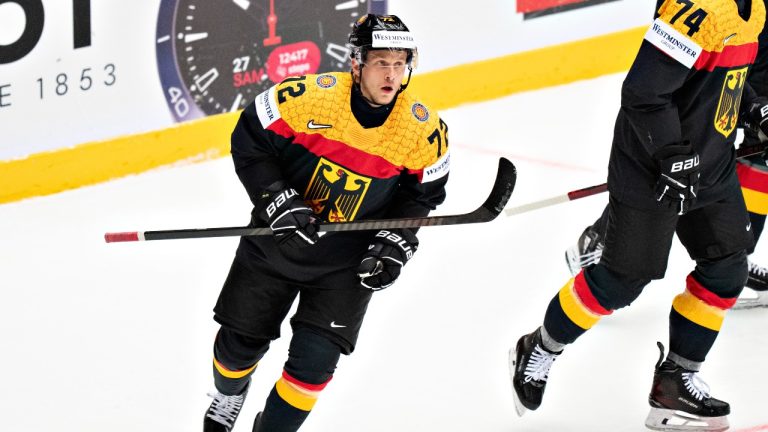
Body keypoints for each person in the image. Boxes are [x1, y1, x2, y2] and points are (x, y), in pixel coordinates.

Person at [510, 1, 766, 431]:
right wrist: (671, 156)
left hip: (712, 163)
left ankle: (676, 381)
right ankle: (541, 347)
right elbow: (643, 93)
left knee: (727, 267)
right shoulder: (696, 9)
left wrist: (755, 110)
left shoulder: (753, 9)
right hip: (650, 168)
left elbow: (727, 84)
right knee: (623, 280)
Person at [202, 14, 450, 432]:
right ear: (356, 64)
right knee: (235, 352)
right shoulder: (307, 99)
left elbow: (422, 196)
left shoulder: (421, 131)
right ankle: (228, 395)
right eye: (381, 63)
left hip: (346, 267)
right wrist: (276, 199)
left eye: (400, 63)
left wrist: (395, 240)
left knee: (313, 368)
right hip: (275, 243)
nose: (392, 74)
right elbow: (250, 138)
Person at [565, 1, 768, 308]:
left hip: (747, 29)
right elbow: (647, 91)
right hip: (724, 30)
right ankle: (606, 235)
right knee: (687, 135)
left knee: (740, 143)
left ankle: (734, 258)